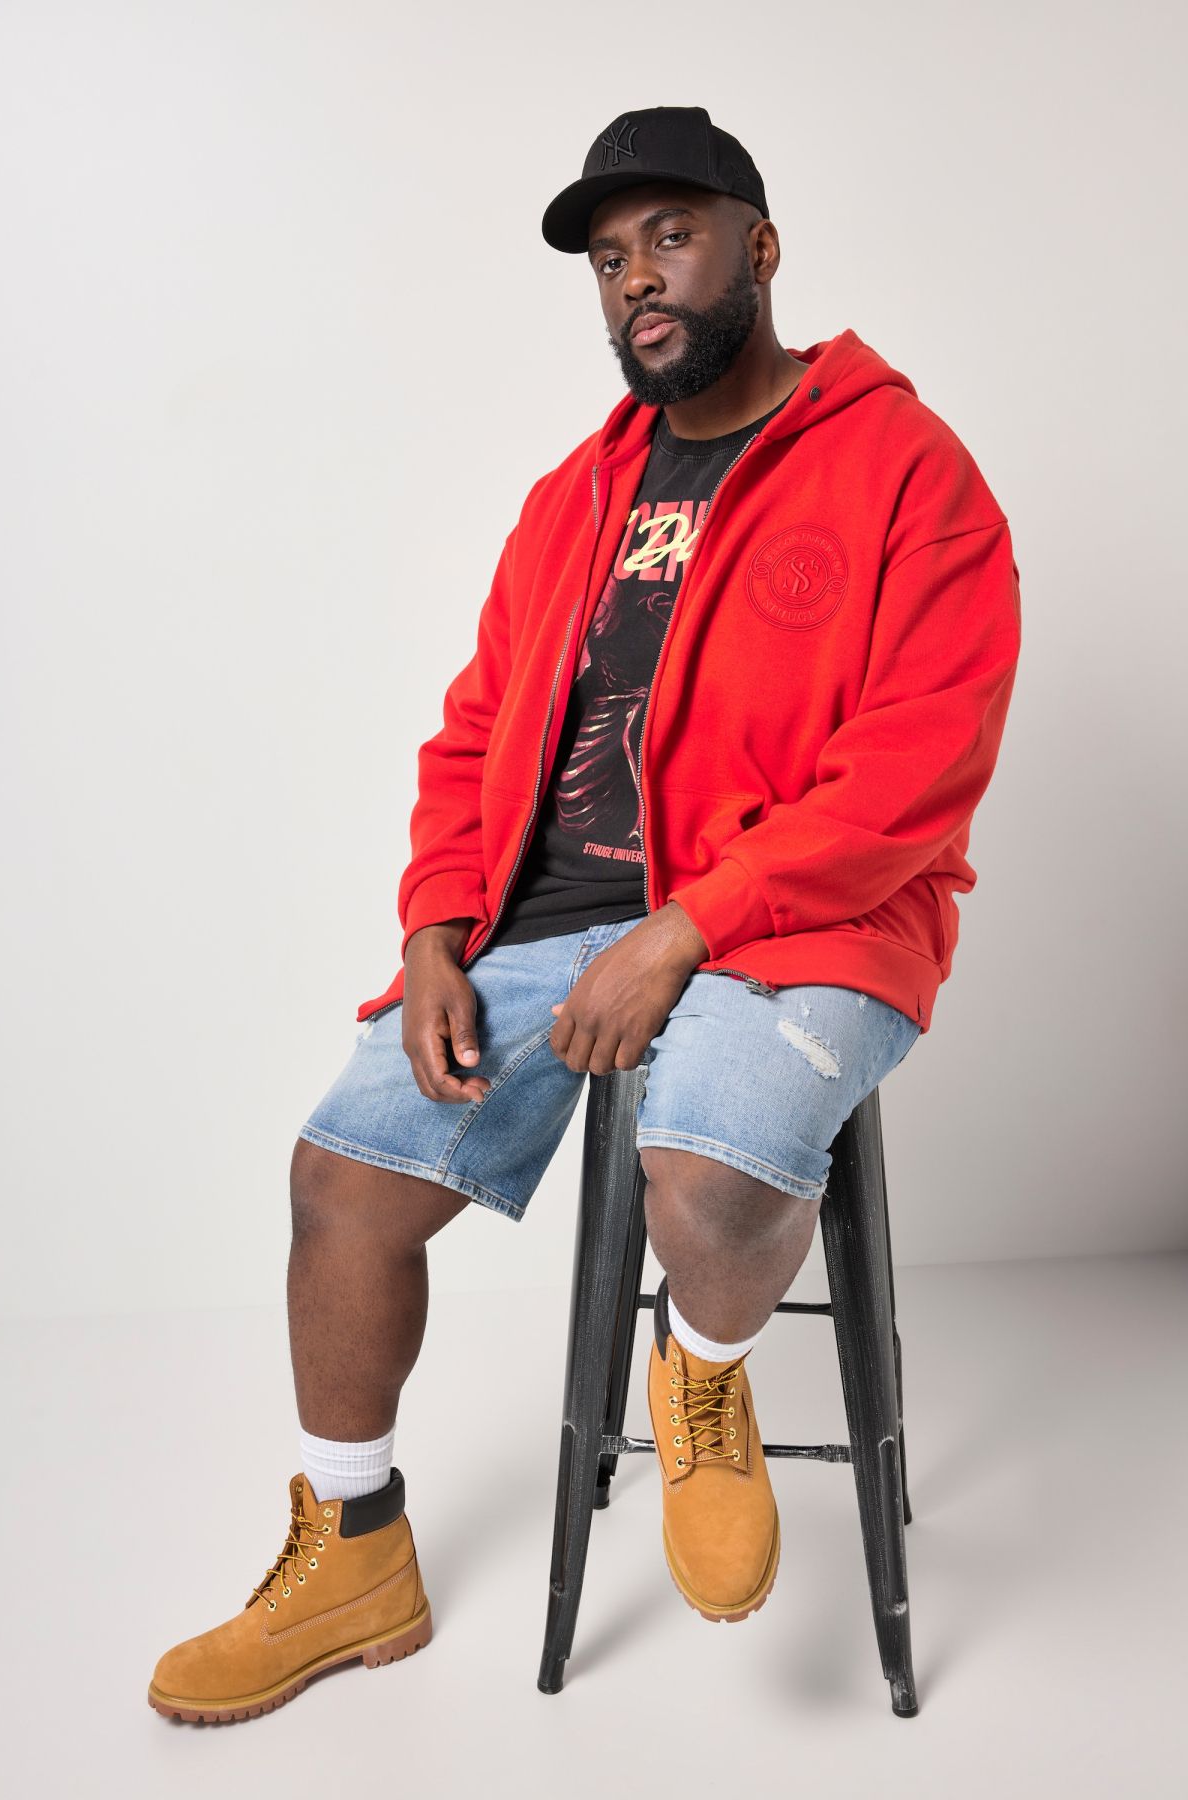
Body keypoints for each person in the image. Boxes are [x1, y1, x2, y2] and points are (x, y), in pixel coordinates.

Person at [148, 105, 1021, 1722]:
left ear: (761, 249)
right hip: (548, 925)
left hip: (806, 923)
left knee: (709, 1174)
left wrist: (685, 931)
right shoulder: (576, 495)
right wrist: (435, 930)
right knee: (340, 1181)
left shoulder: (908, 469)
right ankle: (355, 1548)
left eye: (670, 238)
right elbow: (475, 729)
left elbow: (919, 767)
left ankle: (702, 1375)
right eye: (612, 259)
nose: (638, 281)